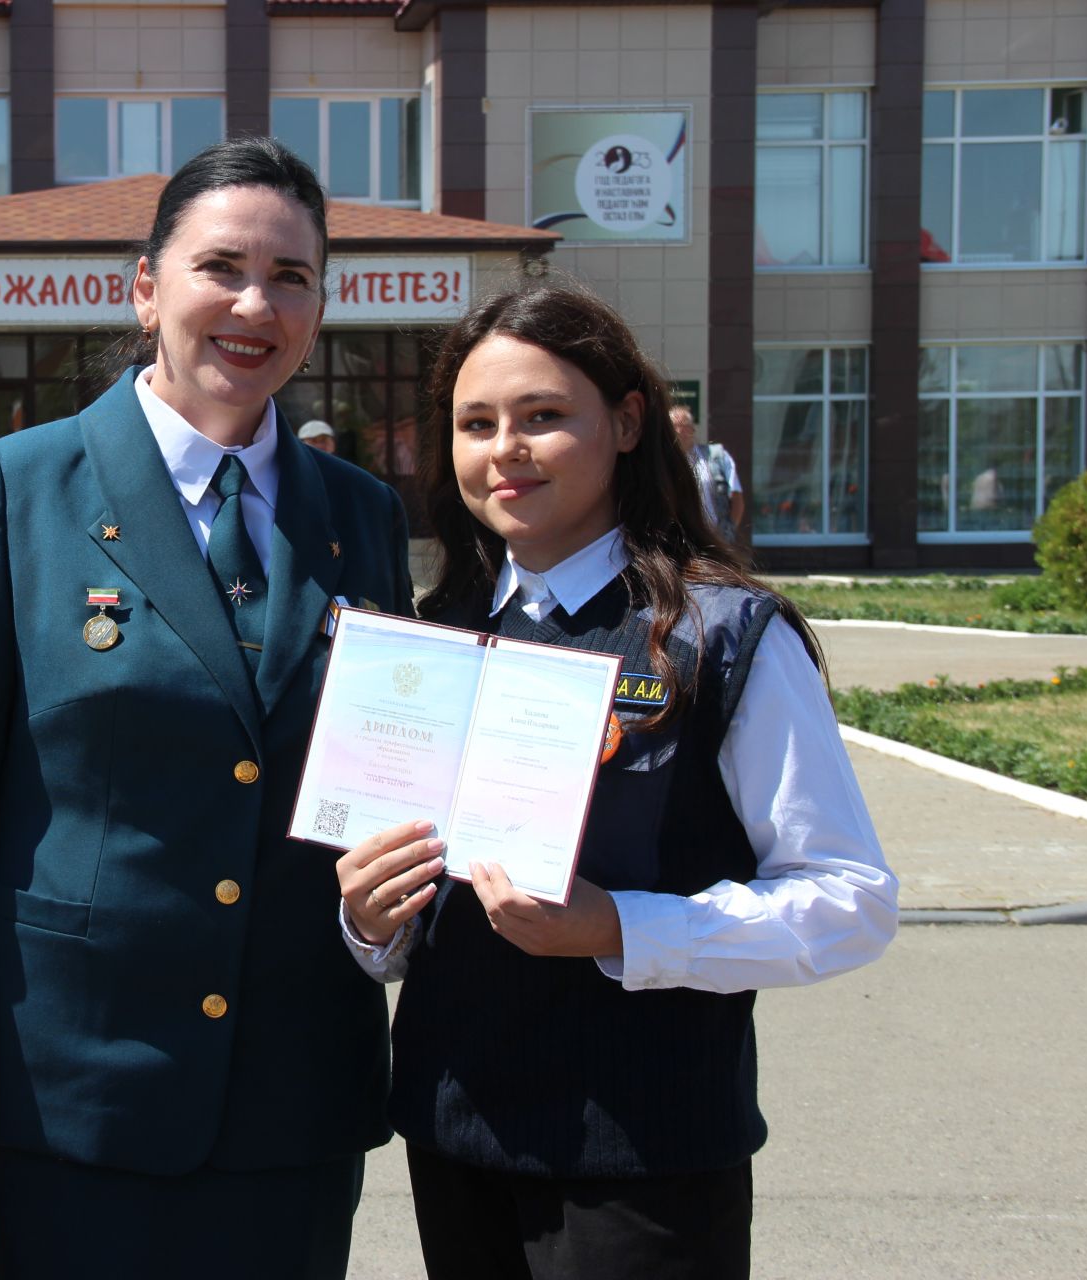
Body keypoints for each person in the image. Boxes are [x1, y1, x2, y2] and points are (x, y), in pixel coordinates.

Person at [0, 136, 415, 1278]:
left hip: (292, 1106)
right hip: (71, 1103)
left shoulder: (358, 515)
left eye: (293, 276)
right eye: (221, 265)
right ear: (146, 286)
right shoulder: (22, 485)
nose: (254, 303)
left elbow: (382, 789)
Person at [335, 283, 898, 1279]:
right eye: (476, 423)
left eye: (544, 416)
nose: (506, 447)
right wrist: (370, 921)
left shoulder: (722, 636)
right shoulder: (433, 637)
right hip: (456, 1138)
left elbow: (849, 900)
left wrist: (622, 929)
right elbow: (410, 912)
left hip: (645, 1159)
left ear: (628, 421)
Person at [672, 405, 744, 542]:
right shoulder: (662, 462)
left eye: (682, 425)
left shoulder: (717, 456)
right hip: (680, 542)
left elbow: (737, 499)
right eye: (673, 426)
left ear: (692, 429)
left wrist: (727, 534)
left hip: (715, 539)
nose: (678, 431)